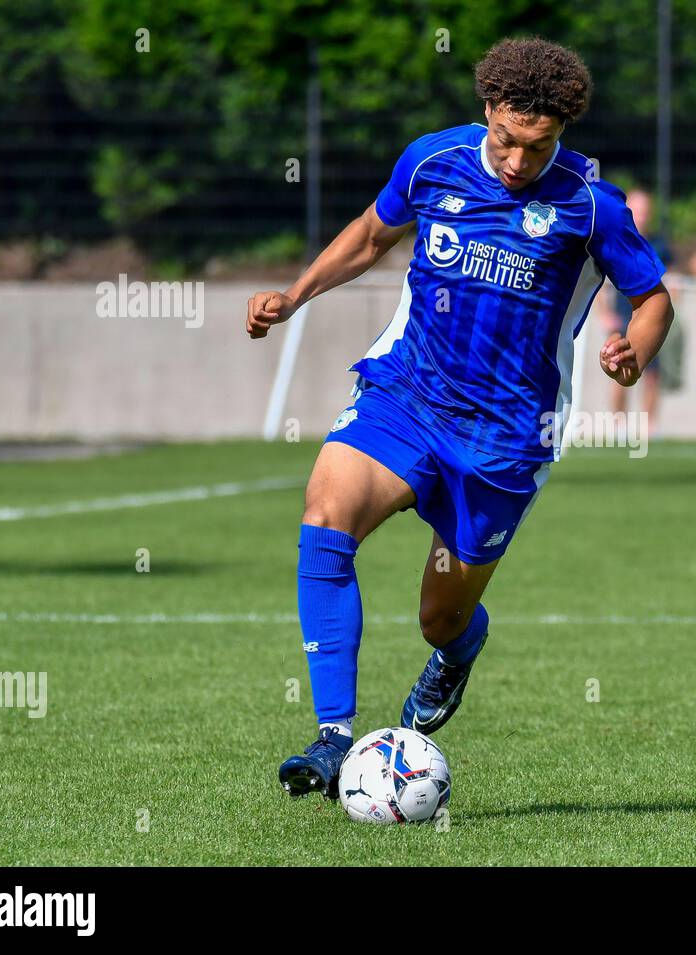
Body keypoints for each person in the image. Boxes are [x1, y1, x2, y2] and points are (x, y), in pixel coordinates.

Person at [245, 37, 673, 800]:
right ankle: (334, 738)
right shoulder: (432, 161)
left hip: (507, 436)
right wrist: (295, 293)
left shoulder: (591, 204)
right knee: (326, 516)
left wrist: (633, 352)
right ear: (487, 113)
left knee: (440, 618)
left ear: (562, 132)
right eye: (506, 141)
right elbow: (373, 236)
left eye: (536, 147)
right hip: (406, 396)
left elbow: (653, 298)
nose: (515, 161)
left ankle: (455, 653)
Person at [597, 189, 674, 434]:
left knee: (651, 372)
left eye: (645, 211)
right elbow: (597, 283)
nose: (641, 215)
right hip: (621, 315)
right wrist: (604, 314)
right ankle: (618, 423)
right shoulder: (612, 236)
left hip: (647, 316)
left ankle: (650, 425)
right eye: (637, 210)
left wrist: (663, 312)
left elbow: (669, 281)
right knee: (617, 365)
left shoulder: (658, 243)